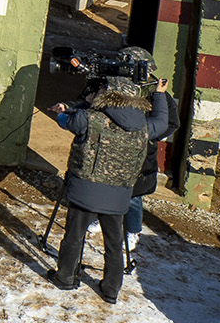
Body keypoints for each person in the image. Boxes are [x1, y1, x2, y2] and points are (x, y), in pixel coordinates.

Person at [46, 74, 169, 302]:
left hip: (85, 191)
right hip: (119, 196)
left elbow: (65, 120)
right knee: (114, 243)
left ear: (108, 95)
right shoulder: (144, 127)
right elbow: (162, 122)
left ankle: (65, 276)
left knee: (74, 236)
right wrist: (159, 95)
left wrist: (63, 110)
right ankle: (111, 289)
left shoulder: (88, 119)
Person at [118, 48, 178, 275]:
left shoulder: (157, 92)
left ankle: (132, 230)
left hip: (142, 151)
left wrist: (151, 135)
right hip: (116, 147)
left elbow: (171, 122)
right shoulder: (119, 86)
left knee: (134, 195)